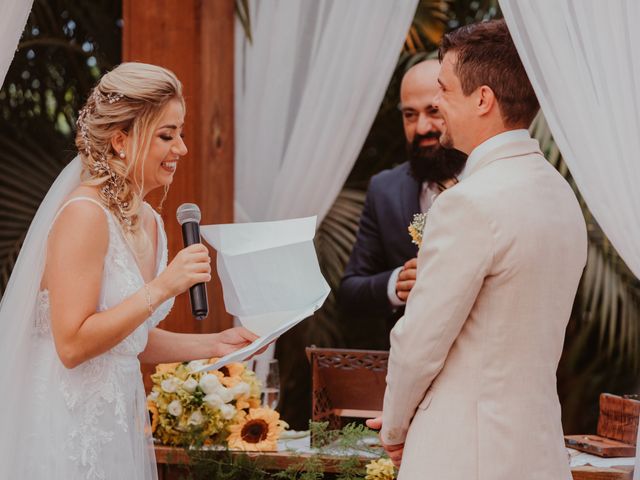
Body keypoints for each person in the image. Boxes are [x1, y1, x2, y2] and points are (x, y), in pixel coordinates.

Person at [0, 62, 259, 479]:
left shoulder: (152, 222)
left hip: (117, 425)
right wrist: (162, 286)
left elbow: (128, 339)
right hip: (64, 428)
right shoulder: (84, 215)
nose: (182, 150)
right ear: (121, 141)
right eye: (166, 135)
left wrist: (215, 345)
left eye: (181, 134)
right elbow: (72, 344)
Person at [367, 20, 587, 479]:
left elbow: (420, 343)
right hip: (538, 450)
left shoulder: (468, 202)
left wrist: (394, 427)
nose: (437, 104)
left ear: (483, 99)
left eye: (444, 90)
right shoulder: (560, 194)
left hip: (462, 453)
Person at [338, 59, 467, 348]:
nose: (422, 127)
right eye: (410, 115)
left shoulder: (491, 179)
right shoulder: (384, 189)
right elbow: (350, 291)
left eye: (433, 111)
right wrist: (397, 283)